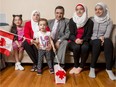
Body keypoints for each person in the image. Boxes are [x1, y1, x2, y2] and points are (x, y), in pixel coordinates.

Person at [89, 2, 116, 80]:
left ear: (104, 10)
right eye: (96, 9)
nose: (97, 11)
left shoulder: (109, 21)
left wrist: (103, 38)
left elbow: (107, 34)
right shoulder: (91, 19)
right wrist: (98, 39)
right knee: (97, 41)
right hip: (92, 41)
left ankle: (109, 69)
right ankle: (92, 68)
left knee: (108, 41)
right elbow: (87, 32)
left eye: (100, 9)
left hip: (103, 40)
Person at [68, 4, 93, 74]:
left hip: (84, 40)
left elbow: (89, 35)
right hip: (74, 40)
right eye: (77, 9)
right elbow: (71, 34)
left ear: (84, 10)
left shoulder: (90, 22)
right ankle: (76, 66)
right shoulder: (72, 20)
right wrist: (76, 40)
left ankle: (81, 66)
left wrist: (82, 40)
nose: (79, 11)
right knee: (76, 47)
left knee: (85, 47)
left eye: (81, 9)